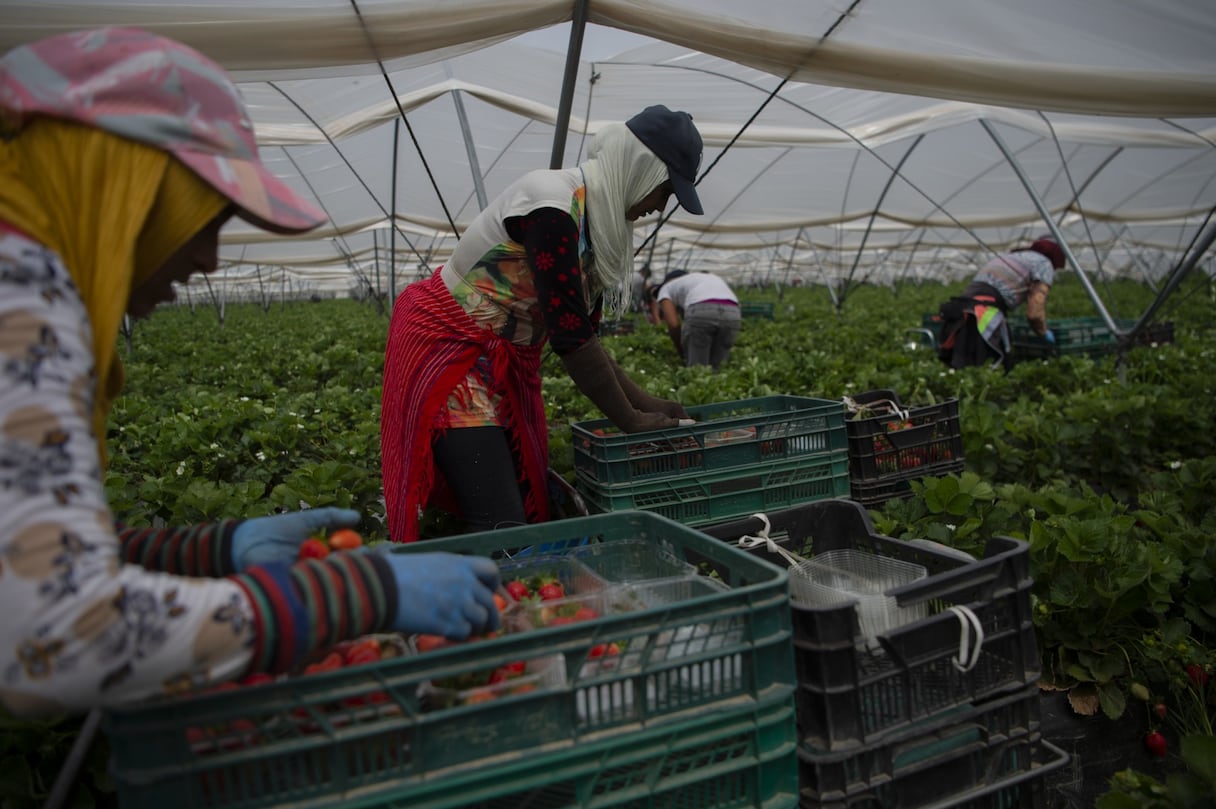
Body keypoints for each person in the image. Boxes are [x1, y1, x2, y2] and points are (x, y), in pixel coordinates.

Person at [0, 27, 501, 718]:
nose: (209, 256)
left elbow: (26, 564)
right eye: (208, 214)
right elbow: (51, 636)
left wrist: (210, 548)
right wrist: (356, 595)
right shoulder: (18, 291)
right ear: (126, 183)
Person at [381, 105, 704, 542]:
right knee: (502, 522)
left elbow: (584, 337)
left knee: (513, 493)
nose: (659, 206)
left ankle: (497, 588)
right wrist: (631, 420)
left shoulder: (598, 224)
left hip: (501, 357)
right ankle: (469, 601)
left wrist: (649, 405)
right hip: (451, 347)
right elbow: (572, 340)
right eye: (663, 191)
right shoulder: (554, 207)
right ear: (639, 172)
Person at [935, 235, 1065, 369]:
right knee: (989, 368)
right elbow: (1034, 313)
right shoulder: (1044, 263)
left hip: (964, 309)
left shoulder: (1016, 256)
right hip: (984, 314)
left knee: (964, 367)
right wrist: (1043, 333)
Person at [651, 269, 741, 369]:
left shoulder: (665, 289)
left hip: (701, 310)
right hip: (733, 311)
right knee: (719, 367)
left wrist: (681, 351)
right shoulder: (705, 277)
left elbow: (674, 324)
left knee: (697, 369)